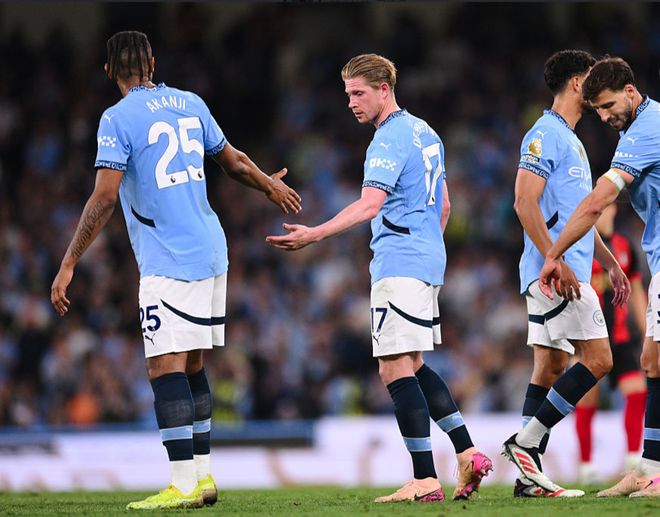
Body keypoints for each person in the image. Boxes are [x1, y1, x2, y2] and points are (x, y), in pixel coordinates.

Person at [50, 31, 301, 510]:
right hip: (211, 249)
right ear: (152, 63)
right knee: (192, 364)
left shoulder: (116, 118)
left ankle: (182, 483)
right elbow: (234, 162)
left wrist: (68, 262)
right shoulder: (190, 102)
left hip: (168, 258)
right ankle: (202, 477)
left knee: (163, 365)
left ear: (109, 71)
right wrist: (269, 186)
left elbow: (104, 197)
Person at [267, 53, 491, 503]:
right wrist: (427, 248)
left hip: (400, 261)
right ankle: (467, 453)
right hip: (427, 261)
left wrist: (314, 234)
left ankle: (424, 478)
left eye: (359, 93)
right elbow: (444, 205)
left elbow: (371, 205)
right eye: (347, 94)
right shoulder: (426, 132)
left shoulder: (387, 138)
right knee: (414, 364)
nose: (351, 102)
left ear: (384, 89)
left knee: (392, 367)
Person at [504, 49, 630, 497]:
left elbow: (579, 217)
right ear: (577, 82)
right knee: (599, 359)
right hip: (557, 274)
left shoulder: (570, 139)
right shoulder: (544, 135)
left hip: (563, 268)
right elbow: (524, 202)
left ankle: (527, 478)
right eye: (592, 79)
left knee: (551, 367)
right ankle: (526, 443)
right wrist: (552, 259)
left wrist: (609, 262)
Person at [540, 56, 660, 498]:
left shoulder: (645, 129)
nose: (606, 117)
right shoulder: (637, 128)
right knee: (653, 361)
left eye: (609, 106)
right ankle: (648, 468)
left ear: (630, 91)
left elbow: (596, 203)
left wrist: (553, 252)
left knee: (652, 363)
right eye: (598, 111)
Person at [575, 203, 648, 485]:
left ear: (614, 209)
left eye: (605, 207)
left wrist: (647, 333)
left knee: (637, 392)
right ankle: (586, 465)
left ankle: (632, 458)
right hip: (590, 339)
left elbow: (637, 290)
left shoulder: (624, 245)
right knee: (587, 399)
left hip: (622, 337)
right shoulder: (580, 244)